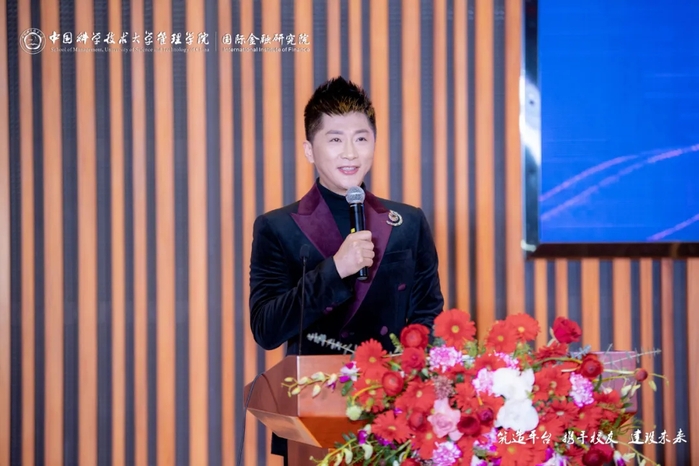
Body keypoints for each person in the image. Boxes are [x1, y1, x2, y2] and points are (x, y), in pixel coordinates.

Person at [248, 76, 444, 463]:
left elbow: (428, 316)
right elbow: (266, 328)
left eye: (361, 138)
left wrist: (417, 389)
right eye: (335, 139)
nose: (350, 152)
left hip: (394, 412)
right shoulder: (277, 227)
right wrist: (335, 270)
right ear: (309, 149)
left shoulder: (408, 222)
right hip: (314, 412)